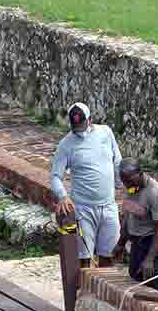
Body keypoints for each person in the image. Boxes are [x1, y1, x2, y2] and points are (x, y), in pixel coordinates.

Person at [50, 102, 123, 269]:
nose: (79, 129)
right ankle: (83, 293)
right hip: (83, 209)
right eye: (75, 126)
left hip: (108, 205)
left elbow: (117, 161)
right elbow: (55, 176)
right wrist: (63, 196)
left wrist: (122, 186)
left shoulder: (105, 133)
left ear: (89, 120)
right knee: (84, 258)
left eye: (82, 124)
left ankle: (104, 292)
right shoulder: (66, 144)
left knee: (109, 255)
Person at [113, 159, 158, 294]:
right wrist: (121, 243)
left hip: (157, 245)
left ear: (140, 174)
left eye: (130, 181)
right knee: (136, 283)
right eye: (124, 182)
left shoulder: (155, 192)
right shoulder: (131, 188)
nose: (127, 185)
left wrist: (150, 259)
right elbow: (128, 218)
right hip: (138, 243)